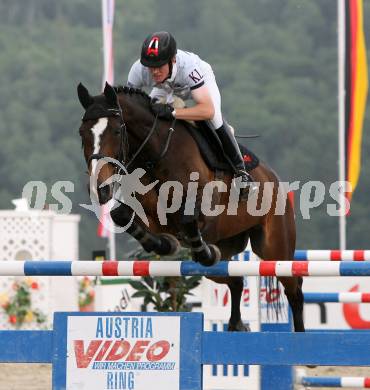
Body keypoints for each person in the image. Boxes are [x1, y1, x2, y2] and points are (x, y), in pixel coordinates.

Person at [127, 31, 256, 198]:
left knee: (214, 117)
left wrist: (172, 111)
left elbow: (207, 110)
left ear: (172, 60)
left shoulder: (189, 68)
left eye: (159, 66)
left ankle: (241, 173)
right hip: (165, 88)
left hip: (197, 84)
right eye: (151, 66)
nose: (154, 72)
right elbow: (131, 107)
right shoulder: (139, 70)